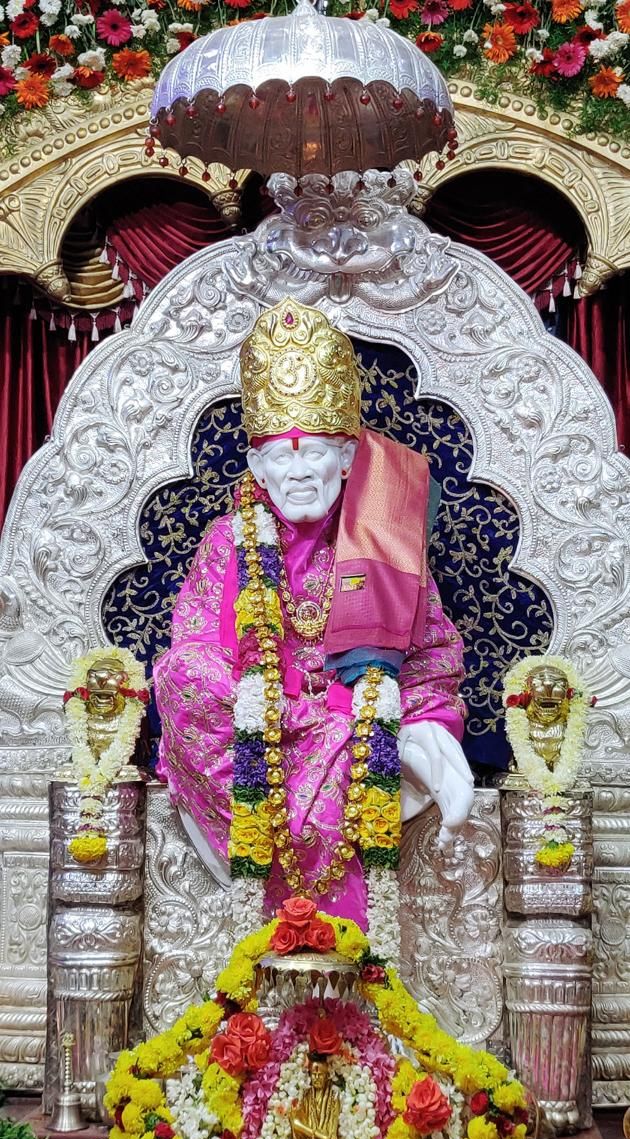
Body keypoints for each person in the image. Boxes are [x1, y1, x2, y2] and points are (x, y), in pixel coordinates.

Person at [154, 299, 473, 929]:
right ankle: (322, 748)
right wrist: (288, 705)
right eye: (281, 455)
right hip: (268, 718)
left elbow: (433, 652)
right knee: (182, 677)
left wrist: (420, 723)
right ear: (256, 468)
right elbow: (193, 649)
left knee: (391, 731)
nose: (298, 472)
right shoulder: (228, 537)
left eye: (315, 452)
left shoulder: (384, 539)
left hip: (357, 714)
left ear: (349, 458)